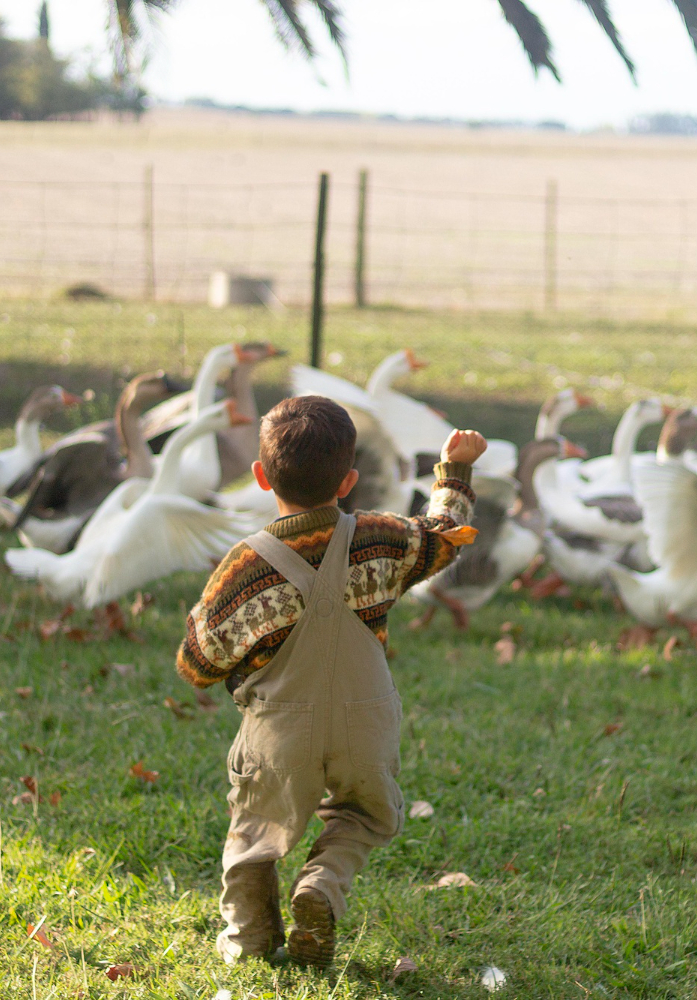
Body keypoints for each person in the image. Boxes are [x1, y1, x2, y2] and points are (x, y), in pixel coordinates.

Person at [177, 394, 486, 966]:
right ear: (348, 481)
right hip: (365, 722)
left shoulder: (245, 567)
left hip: (279, 734)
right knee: (364, 815)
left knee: (254, 834)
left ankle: (248, 942)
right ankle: (322, 884)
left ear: (261, 476)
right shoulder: (381, 540)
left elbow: (198, 663)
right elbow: (445, 535)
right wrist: (456, 472)